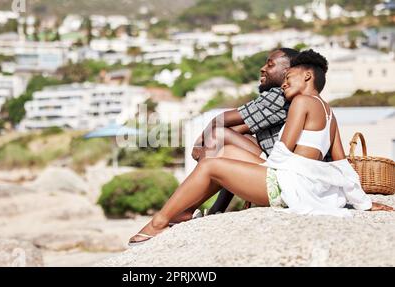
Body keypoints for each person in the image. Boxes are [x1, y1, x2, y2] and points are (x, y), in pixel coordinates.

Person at [128, 49, 393, 246]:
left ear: (308, 76)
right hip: (304, 185)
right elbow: (341, 164)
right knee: (226, 154)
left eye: (289, 77)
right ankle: (185, 211)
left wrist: (250, 174)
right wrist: (364, 203)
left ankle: (158, 223)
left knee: (211, 164)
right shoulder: (329, 112)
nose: (285, 83)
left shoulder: (301, 103)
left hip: (288, 185)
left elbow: (282, 151)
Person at [171, 47, 301, 224]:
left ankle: (186, 206)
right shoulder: (289, 97)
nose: (263, 68)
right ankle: (215, 208)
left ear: (288, 72)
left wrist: (200, 143)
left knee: (218, 135)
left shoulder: (277, 95)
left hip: (281, 173)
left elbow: (221, 120)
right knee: (226, 141)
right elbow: (244, 128)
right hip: (281, 166)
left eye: (270, 65)